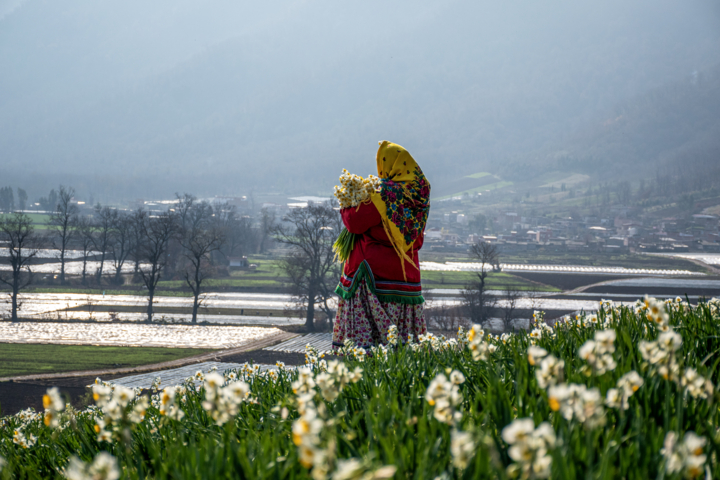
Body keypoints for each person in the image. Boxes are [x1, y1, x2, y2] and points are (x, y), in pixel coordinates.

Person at [333, 140, 431, 350]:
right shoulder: (418, 197)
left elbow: (355, 223)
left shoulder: (384, 195)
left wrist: (346, 205)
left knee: (368, 350)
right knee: (402, 350)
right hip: (405, 281)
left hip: (374, 282)